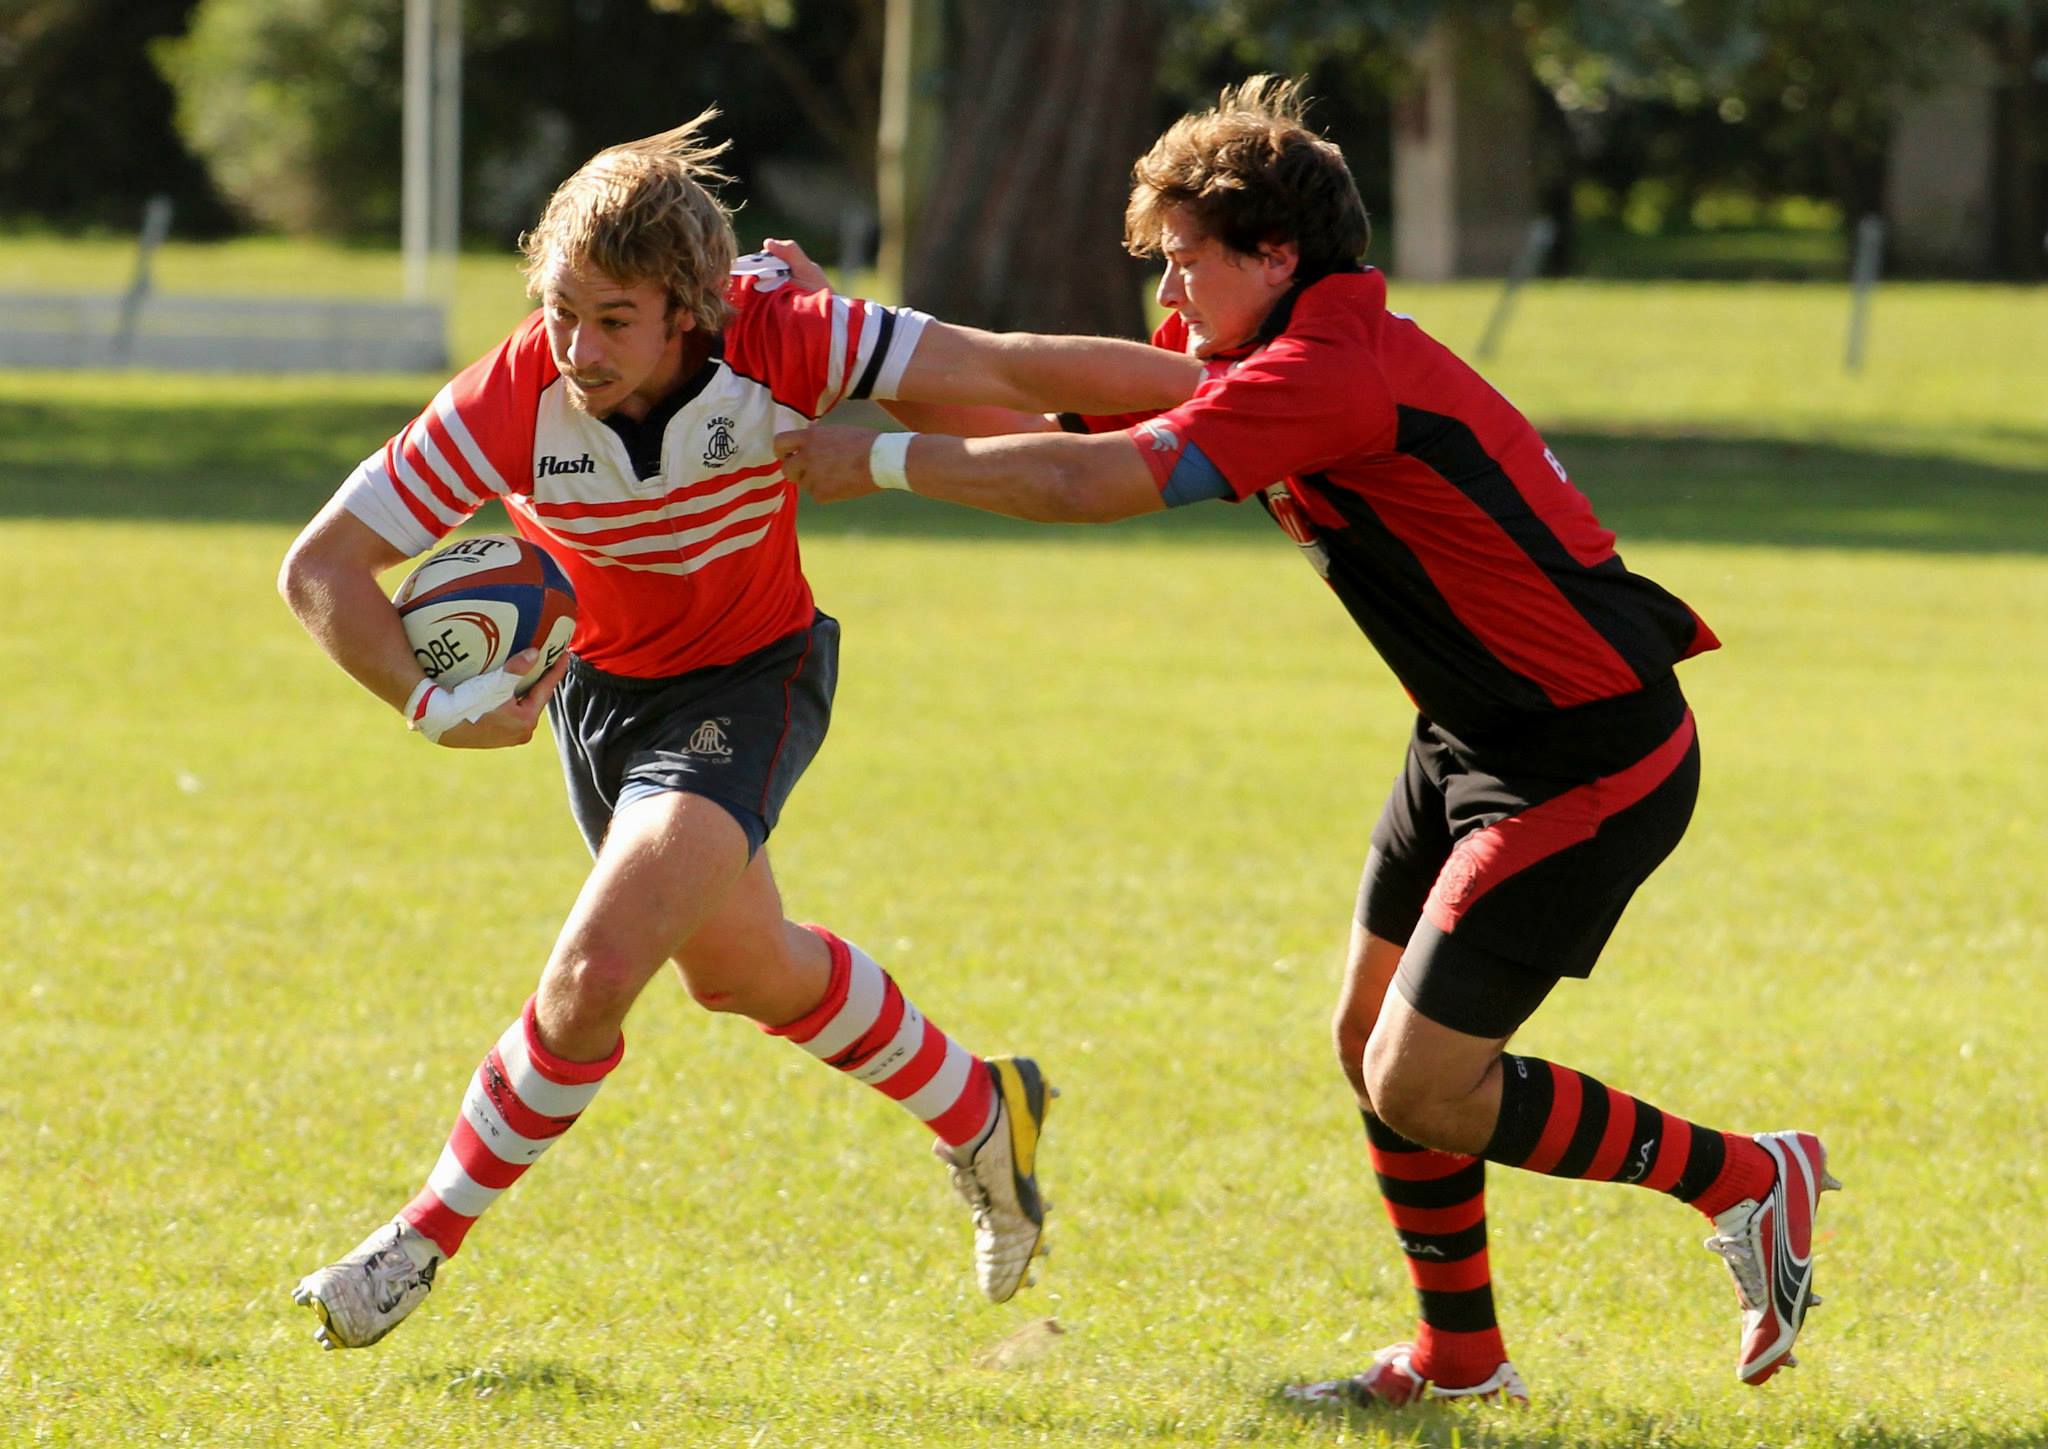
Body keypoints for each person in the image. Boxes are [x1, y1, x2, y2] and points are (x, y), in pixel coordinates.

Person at [774, 77, 1839, 1404]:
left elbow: (1073, 479)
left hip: (1590, 754)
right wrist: (839, 337)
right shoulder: (1281, 357)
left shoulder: (1327, 374)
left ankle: (1747, 1178)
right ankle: (1461, 1360)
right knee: (1369, 1045)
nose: (1168, 303)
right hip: (1471, 735)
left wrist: (862, 459)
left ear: (1274, 255)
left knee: (1423, 1082)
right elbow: (1027, 395)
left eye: (1184, 266)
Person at [279, 110, 1197, 1351]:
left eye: (612, 321)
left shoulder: (787, 336)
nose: (576, 348)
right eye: (559, 312)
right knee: (742, 971)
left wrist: (1259, 395)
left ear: (687, 309)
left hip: (749, 682)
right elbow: (323, 566)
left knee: (592, 977)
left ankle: (415, 1244)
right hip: (602, 700)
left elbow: (1012, 370)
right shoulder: (506, 403)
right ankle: (984, 1110)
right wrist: (432, 705)